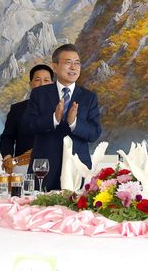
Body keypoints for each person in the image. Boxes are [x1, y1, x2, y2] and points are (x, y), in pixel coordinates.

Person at [24, 44, 102, 191]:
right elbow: (29, 126)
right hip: (44, 170)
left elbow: (94, 133)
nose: (73, 67)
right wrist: (53, 118)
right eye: (68, 63)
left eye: (77, 63)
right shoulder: (39, 94)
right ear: (54, 66)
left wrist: (74, 123)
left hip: (78, 170)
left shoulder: (89, 97)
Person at [0, 64, 55, 158]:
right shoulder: (17, 109)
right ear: (30, 84)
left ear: (52, 84)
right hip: (23, 165)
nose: (42, 84)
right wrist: (7, 157)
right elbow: (7, 138)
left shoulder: (60, 108)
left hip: (54, 166)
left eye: (46, 80)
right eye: (37, 80)